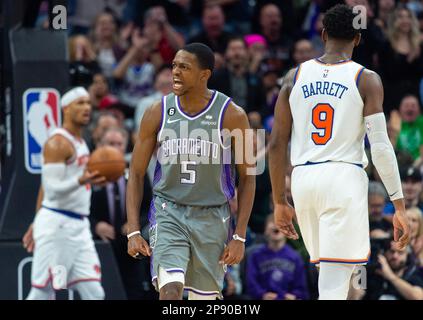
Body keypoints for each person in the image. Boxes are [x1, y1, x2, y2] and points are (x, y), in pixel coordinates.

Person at [268, 4, 410, 300]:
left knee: (333, 275)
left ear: (322, 35)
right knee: (335, 282)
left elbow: (276, 144)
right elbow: (381, 146)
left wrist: (279, 201)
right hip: (342, 177)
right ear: (358, 39)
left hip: (303, 179)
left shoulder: (293, 77)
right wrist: (398, 203)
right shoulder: (366, 78)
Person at [126, 43, 256, 300]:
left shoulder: (232, 115)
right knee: (171, 290)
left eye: (184, 67)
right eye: (174, 65)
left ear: (204, 75)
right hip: (168, 211)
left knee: (203, 299)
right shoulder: (157, 111)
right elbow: (136, 173)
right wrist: (132, 231)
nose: (175, 72)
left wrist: (239, 236)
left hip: (213, 216)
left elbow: (249, 178)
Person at [22, 87, 106, 300]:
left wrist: (35, 220)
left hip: (79, 226)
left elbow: (43, 186)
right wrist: (82, 179)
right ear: (66, 109)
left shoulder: (80, 142)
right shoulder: (57, 143)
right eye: (80, 103)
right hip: (57, 225)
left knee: (94, 292)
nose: (87, 107)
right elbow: (52, 188)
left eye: (88, 103)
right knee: (43, 291)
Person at [90, 127, 156, 300]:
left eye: (119, 144)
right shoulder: (90, 172)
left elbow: (149, 206)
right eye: (110, 143)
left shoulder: (136, 172)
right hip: (100, 245)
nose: (115, 148)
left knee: (134, 291)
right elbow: (79, 209)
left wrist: (135, 224)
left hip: (130, 245)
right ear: (100, 146)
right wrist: (96, 225)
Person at [246, 214, 309, 300]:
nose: (276, 226)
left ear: (287, 231)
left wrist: (294, 296)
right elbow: (251, 284)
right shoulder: (255, 256)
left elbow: (301, 288)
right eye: (272, 223)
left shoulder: (295, 257)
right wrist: (262, 294)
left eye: (280, 224)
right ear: (265, 230)